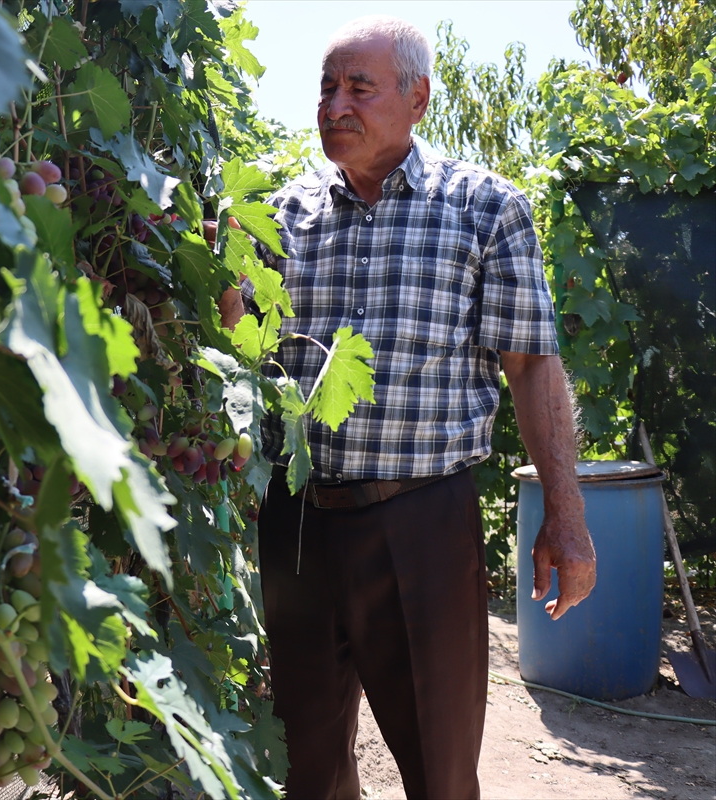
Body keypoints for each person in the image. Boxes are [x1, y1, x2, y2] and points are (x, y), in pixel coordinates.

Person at [215, 15, 598, 799]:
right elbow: (238, 365)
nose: (335, 106)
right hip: (295, 524)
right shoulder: (277, 219)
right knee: (305, 768)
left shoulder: (485, 208)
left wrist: (567, 514)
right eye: (326, 88)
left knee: (438, 769)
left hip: (422, 521)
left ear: (418, 98)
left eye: (360, 87)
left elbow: (530, 367)